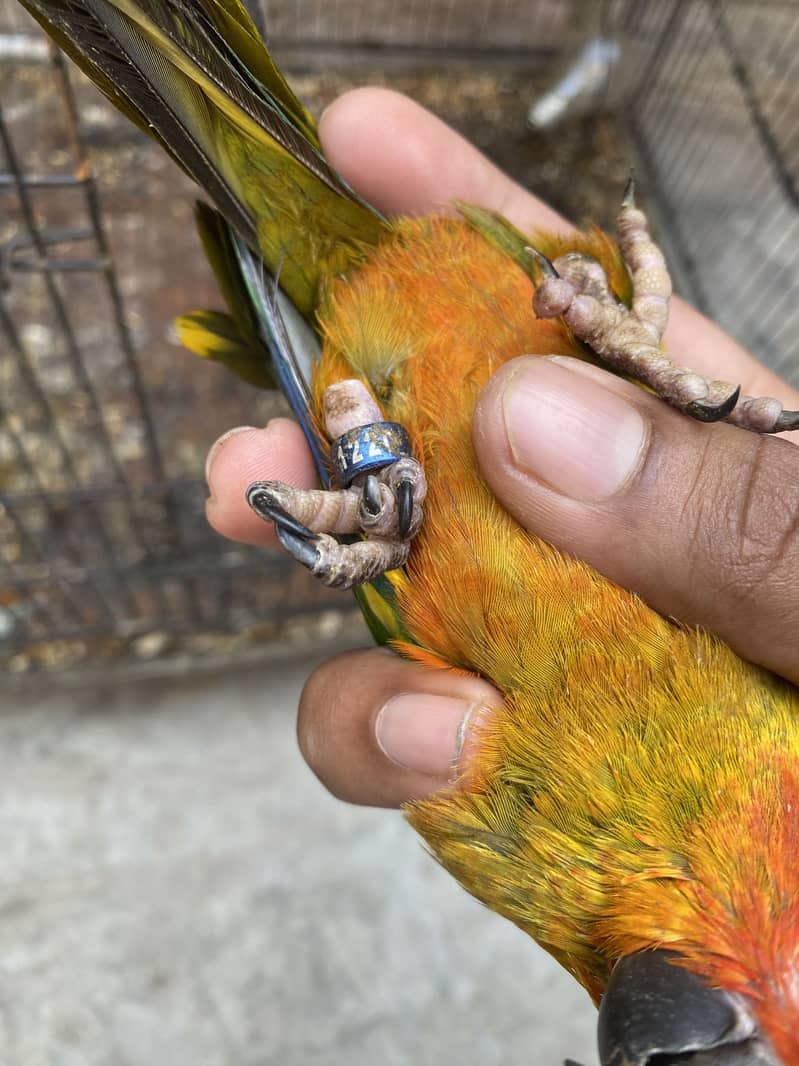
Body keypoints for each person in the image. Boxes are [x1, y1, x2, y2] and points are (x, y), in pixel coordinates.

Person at [204, 88, 799, 808]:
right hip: (512, 292)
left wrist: (376, 507)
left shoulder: (568, 866)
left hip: (374, 378)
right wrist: (619, 338)